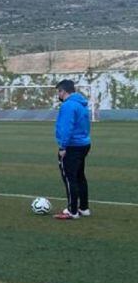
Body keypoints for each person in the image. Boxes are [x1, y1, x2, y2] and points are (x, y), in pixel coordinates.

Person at [54, 79, 92, 220]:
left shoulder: (68, 106)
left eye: (58, 91)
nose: (58, 94)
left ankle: (72, 211)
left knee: (70, 178)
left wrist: (63, 146)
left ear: (63, 91)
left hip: (72, 146)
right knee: (80, 176)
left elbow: (66, 127)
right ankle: (83, 208)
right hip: (83, 144)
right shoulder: (81, 104)